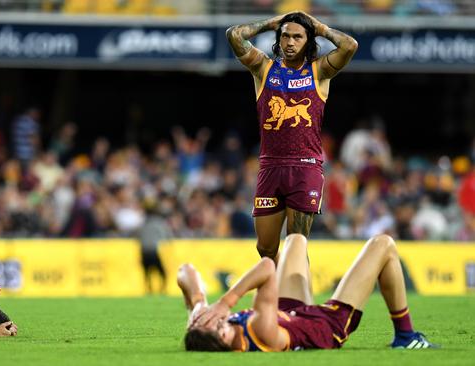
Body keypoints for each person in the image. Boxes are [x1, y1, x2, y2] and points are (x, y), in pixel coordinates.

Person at [226, 12, 358, 260]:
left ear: (308, 41)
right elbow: (234, 35)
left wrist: (321, 28)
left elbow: (350, 45)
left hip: (305, 168)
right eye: (285, 35)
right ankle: (278, 295)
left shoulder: (319, 72)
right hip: (270, 167)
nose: (290, 42)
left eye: (298, 37)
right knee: (265, 249)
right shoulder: (264, 69)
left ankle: (298, 299)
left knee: (296, 248)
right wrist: (268, 23)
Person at [178, 234, 436, 351]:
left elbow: (185, 271)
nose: (220, 318)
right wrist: (225, 301)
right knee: (384, 244)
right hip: (325, 323)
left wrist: (199, 304)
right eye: (219, 324)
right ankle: (406, 336)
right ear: (223, 338)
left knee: (296, 240)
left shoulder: (204, 329)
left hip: (291, 314)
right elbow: (267, 267)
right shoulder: (260, 331)